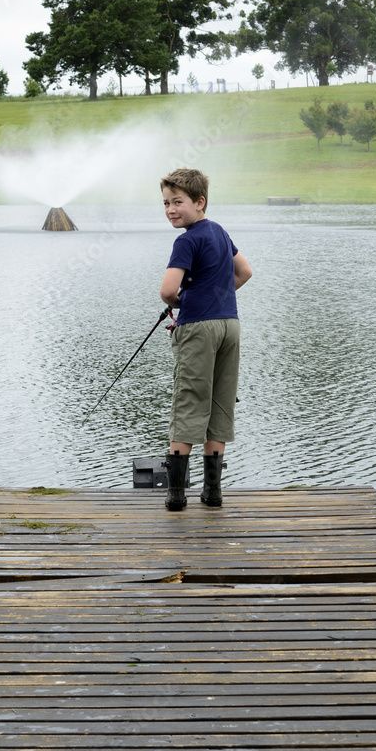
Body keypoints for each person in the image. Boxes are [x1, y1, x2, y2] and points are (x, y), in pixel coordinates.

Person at [159, 168, 252, 511]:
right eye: (167, 203)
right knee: (219, 404)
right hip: (230, 324)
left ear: (199, 203)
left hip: (199, 329)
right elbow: (245, 272)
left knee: (189, 403)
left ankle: (176, 496)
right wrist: (215, 295)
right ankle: (212, 493)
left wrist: (185, 301)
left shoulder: (186, 239)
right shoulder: (220, 232)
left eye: (177, 202)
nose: (170, 209)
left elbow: (168, 290)